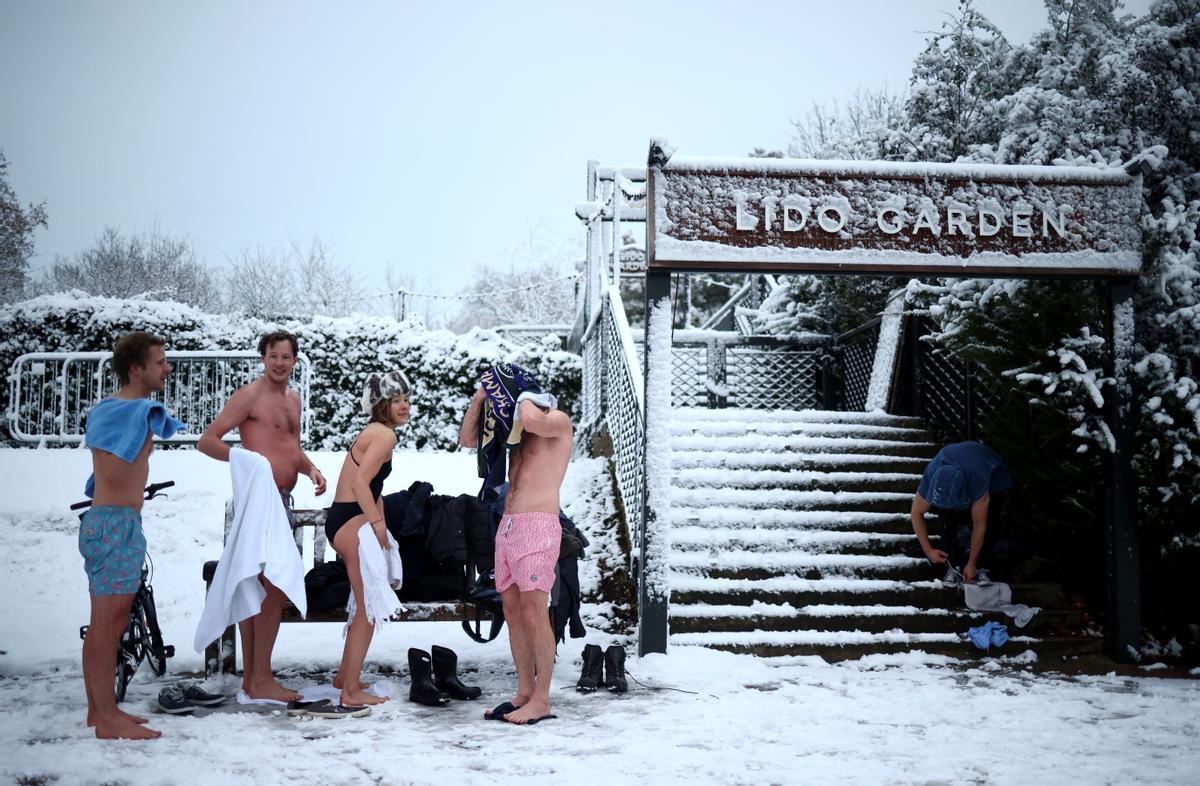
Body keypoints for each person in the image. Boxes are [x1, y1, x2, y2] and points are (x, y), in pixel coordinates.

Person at [197, 330, 326, 703]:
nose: (280, 363)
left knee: (266, 587)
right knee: (269, 586)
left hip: (281, 498)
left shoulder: (294, 400)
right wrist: (248, 463)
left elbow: (290, 448)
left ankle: (255, 679)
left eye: (286, 357)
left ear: (294, 360)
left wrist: (311, 469)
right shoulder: (249, 396)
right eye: (273, 356)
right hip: (258, 500)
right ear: (263, 358)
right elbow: (208, 441)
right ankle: (260, 677)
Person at [80, 331, 182, 739]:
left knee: (114, 622)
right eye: (160, 362)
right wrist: (146, 416)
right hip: (111, 523)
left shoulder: (124, 411)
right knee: (105, 625)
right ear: (136, 368)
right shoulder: (126, 411)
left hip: (119, 522)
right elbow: (110, 469)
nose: (167, 369)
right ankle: (104, 719)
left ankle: (100, 711)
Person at [460, 364, 573, 725]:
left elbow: (531, 416)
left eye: (502, 396)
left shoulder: (556, 420)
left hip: (539, 525)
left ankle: (542, 699)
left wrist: (516, 392)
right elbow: (467, 439)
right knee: (511, 611)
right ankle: (524, 691)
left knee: (534, 612)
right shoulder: (516, 432)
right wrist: (481, 396)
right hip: (507, 526)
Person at [323, 370, 410, 710]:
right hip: (351, 523)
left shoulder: (379, 432)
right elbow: (360, 484)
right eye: (395, 400)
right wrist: (375, 526)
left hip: (347, 521)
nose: (403, 406)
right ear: (380, 405)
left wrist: (382, 528)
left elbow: (375, 490)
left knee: (363, 606)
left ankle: (346, 678)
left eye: (406, 399)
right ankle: (350, 693)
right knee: (368, 609)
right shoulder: (383, 436)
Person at [910, 440, 1012, 585]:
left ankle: (982, 566)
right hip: (956, 468)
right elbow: (915, 513)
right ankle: (953, 565)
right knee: (945, 515)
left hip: (990, 470)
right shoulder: (931, 476)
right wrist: (928, 551)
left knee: (991, 517)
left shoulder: (978, 480)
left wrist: (972, 563)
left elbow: (980, 524)